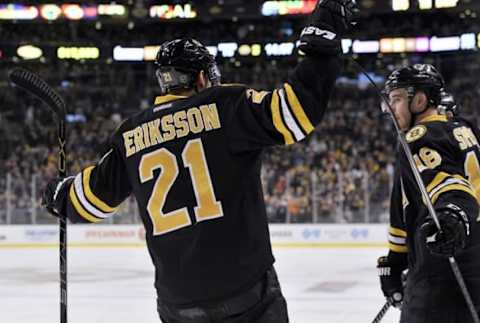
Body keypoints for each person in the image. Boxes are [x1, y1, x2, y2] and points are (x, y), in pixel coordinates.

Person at [42, 1, 358, 322]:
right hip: (244, 296)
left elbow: (89, 202)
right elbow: (296, 112)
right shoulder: (225, 106)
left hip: (178, 305)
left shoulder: (130, 134)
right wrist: (322, 37)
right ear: (203, 79)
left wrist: (59, 193)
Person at [377, 64, 480, 323]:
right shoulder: (464, 129)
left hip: (443, 273)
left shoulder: (419, 137)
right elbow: (408, 205)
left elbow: (452, 188)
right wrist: (396, 258)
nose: (390, 109)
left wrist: (452, 215)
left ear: (420, 100)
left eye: (397, 99)